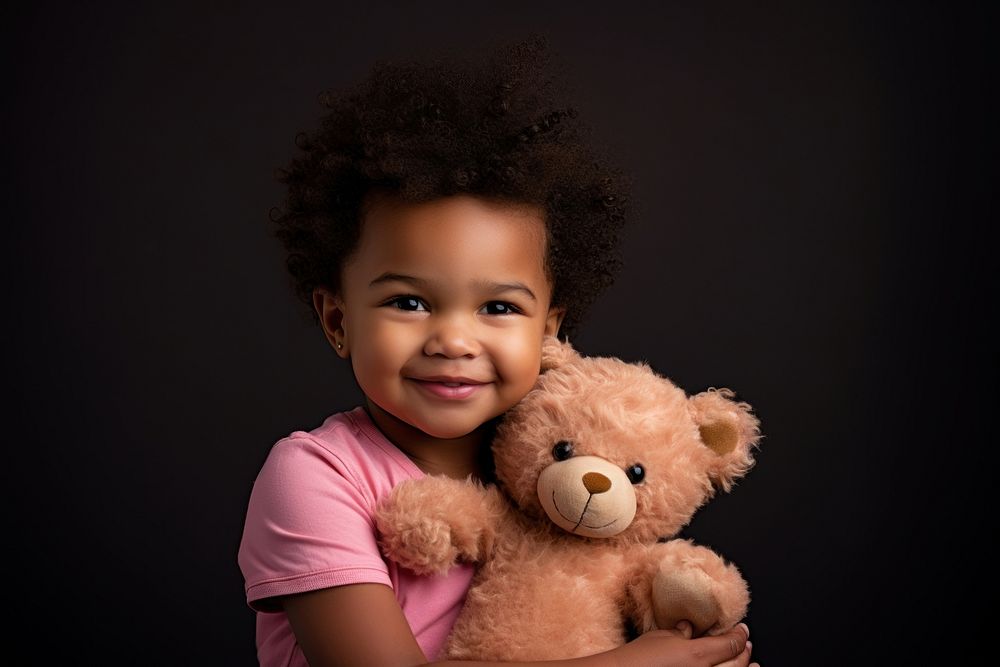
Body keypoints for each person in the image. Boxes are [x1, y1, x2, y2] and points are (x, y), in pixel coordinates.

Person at [238, 38, 759, 667]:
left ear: (548, 331)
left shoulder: (550, 469)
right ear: (337, 318)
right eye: (408, 302)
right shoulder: (314, 477)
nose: (454, 340)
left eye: (499, 307)